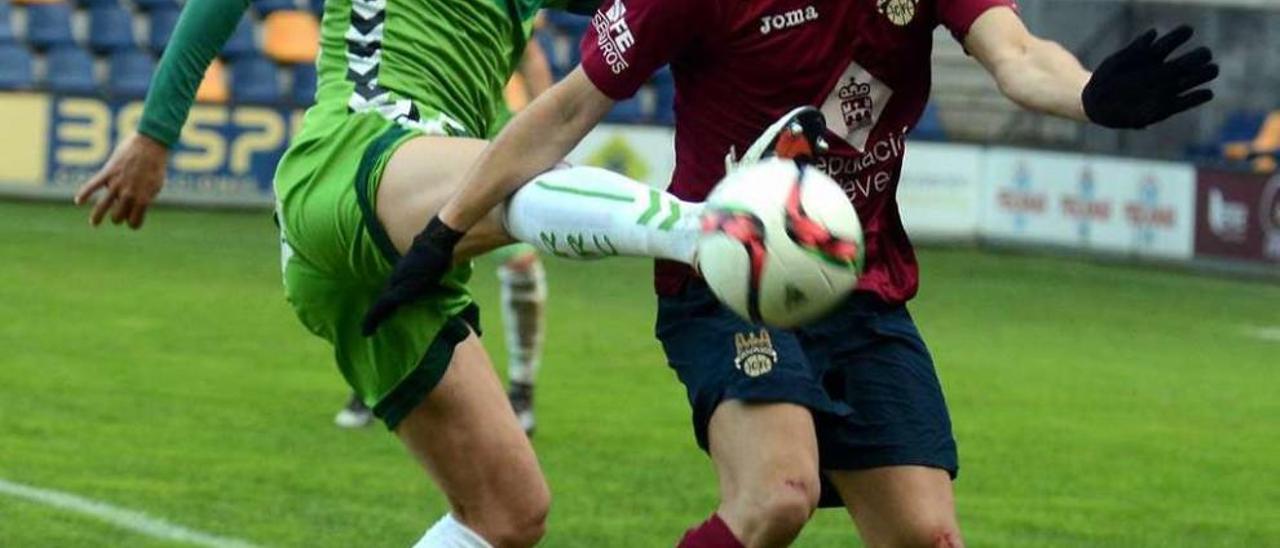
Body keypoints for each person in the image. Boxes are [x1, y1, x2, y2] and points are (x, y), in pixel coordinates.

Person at [361, 0, 1219, 545]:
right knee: (778, 496)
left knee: (927, 537)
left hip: (860, 286)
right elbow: (567, 109)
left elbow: (1018, 53)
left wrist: (1091, 95)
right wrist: (446, 227)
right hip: (725, 273)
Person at [69, 0, 719, 543]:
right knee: (533, 185)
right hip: (355, 155)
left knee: (509, 514)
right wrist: (156, 131)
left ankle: (714, 234)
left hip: (403, 250)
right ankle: (718, 234)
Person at [335, 31, 557, 433]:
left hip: (495, 132)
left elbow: (532, 55)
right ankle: (375, 380)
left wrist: (551, 133)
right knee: (394, 256)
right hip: (426, 123)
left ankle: (521, 390)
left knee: (521, 266)